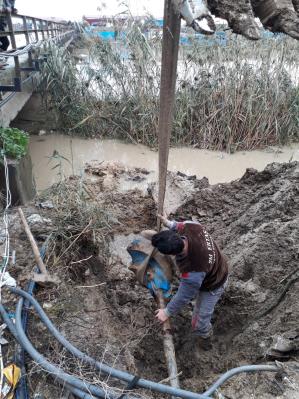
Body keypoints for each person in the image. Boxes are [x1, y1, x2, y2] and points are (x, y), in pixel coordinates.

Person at [152, 215, 228, 350]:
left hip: (214, 283)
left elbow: (184, 296)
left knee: (198, 324)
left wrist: (167, 312)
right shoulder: (192, 226)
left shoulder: (193, 269)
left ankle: (206, 337)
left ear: (171, 254)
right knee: (191, 287)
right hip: (216, 264)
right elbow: (178, 226)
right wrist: (168, 223)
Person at [0, 0, 17, 67]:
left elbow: (11, 8)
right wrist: (4, 9)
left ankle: (1, 59)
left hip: (3, 23)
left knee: (5, 43)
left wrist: (14, 10)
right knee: (6, 42)